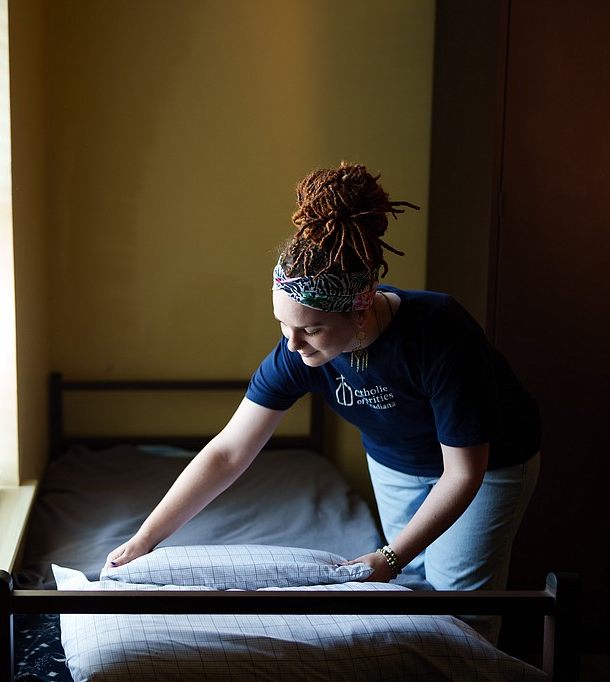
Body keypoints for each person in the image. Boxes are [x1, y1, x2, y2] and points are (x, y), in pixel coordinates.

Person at [106, 161, 541, 645]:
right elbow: (228, 453)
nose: (292, 345)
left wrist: (389, 556)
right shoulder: (297, 353)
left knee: (461, 609)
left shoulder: (438, 334)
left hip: (487, 464)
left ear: (361, 306)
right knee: (414, 590)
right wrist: (145, 540)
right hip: (397, 459)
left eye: (310, 328)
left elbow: (463, 473)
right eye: (282, 325)